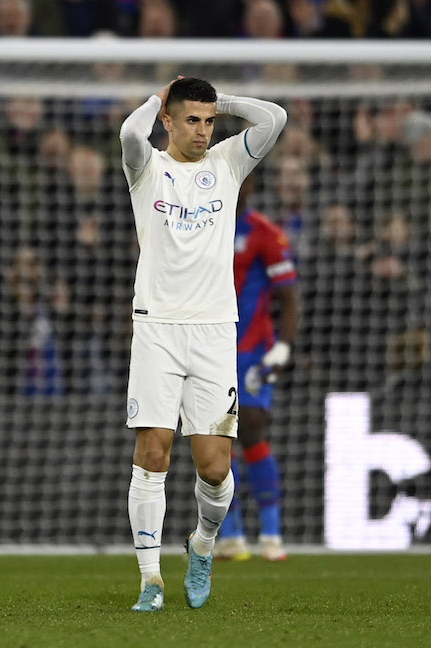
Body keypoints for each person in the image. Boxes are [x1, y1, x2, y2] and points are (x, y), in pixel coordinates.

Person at [120, 77, 286, 611]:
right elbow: (128, 131)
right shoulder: (146, 167)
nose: (202, 130)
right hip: (157, 328)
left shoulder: (227, 164)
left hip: (215, 332)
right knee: (152, 454)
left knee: (215, 468)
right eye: (191, 119)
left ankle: (203, 544)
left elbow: (275, 118)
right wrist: (155, 98)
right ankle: (150, 579)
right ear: (167, 120)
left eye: (209, 121)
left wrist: (226, 103)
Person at [211, 199, 299, 563]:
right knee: (214, 438)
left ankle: (271, 533)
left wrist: (283, 348)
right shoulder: (200, 223)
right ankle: (229, 536)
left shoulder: (265, 233)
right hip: (208, 347)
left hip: (250, 351)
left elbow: (290, 299)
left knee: (251, 431)